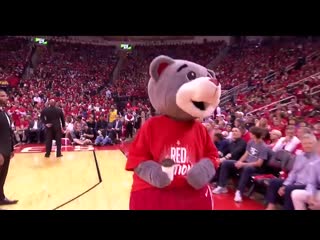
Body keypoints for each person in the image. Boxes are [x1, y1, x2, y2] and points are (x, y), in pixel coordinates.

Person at [0, 89, 18, 205]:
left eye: (6, 95)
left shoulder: (4, 112)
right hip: (0, 151)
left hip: (6, 150)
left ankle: (1, 198)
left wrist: (11, 149)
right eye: (3, 96)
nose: (6, 98)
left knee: (2, 176)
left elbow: (8, 132)